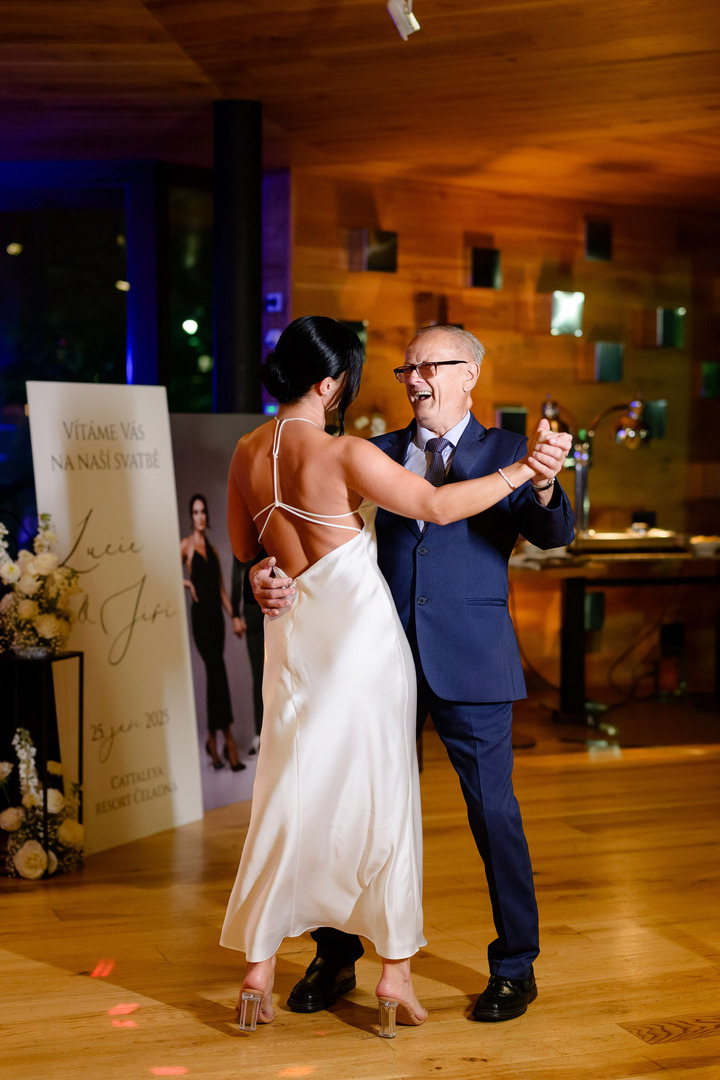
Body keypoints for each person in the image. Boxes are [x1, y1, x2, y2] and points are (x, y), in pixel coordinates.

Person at [219, 316, 569, 1037]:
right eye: (404, 369)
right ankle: (338, 955)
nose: (413, 380)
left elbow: (554, 532)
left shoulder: (511, 450)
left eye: (429, 366)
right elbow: (282, 541)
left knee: (492, 815)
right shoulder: (363, 450)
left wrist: (538, 481)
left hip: (467, 660)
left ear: (469, 372)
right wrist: (263, 573)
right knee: (353, 805)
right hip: (374, 660)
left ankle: (515, 965)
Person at [181, 494, 246, 772]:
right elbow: (163, 575)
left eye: (203, 511)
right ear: (191, 516)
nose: (200, 516)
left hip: (217, 620)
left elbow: (220, 589)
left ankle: (212, 740)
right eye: (195, 512)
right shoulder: (185, 547)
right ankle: (227, 741)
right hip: (200, 619)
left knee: (215, 677)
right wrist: (187, 584)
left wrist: (234, 616)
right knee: (215, 674)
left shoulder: (214, 550)